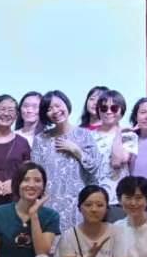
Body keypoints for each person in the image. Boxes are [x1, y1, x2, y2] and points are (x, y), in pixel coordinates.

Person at [29, 90, 101, 231]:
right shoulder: (40, 139)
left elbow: (94, 168)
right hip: (49, 203)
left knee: (77, 241)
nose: (55, 111)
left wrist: (76, 150)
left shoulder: (84, 135)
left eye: (58, 105)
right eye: (49, 109)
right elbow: (35, 174)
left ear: (66, 104)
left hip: (77, 204)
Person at [89, 89, 136, 220]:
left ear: (122, 110)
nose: (108, 112)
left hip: (118, 198)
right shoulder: (89, 136)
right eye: (104, 108)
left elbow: (117, 161)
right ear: (98, 110)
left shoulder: (128, 135)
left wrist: (118, 133)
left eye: (114, 108)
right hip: (93, 197)